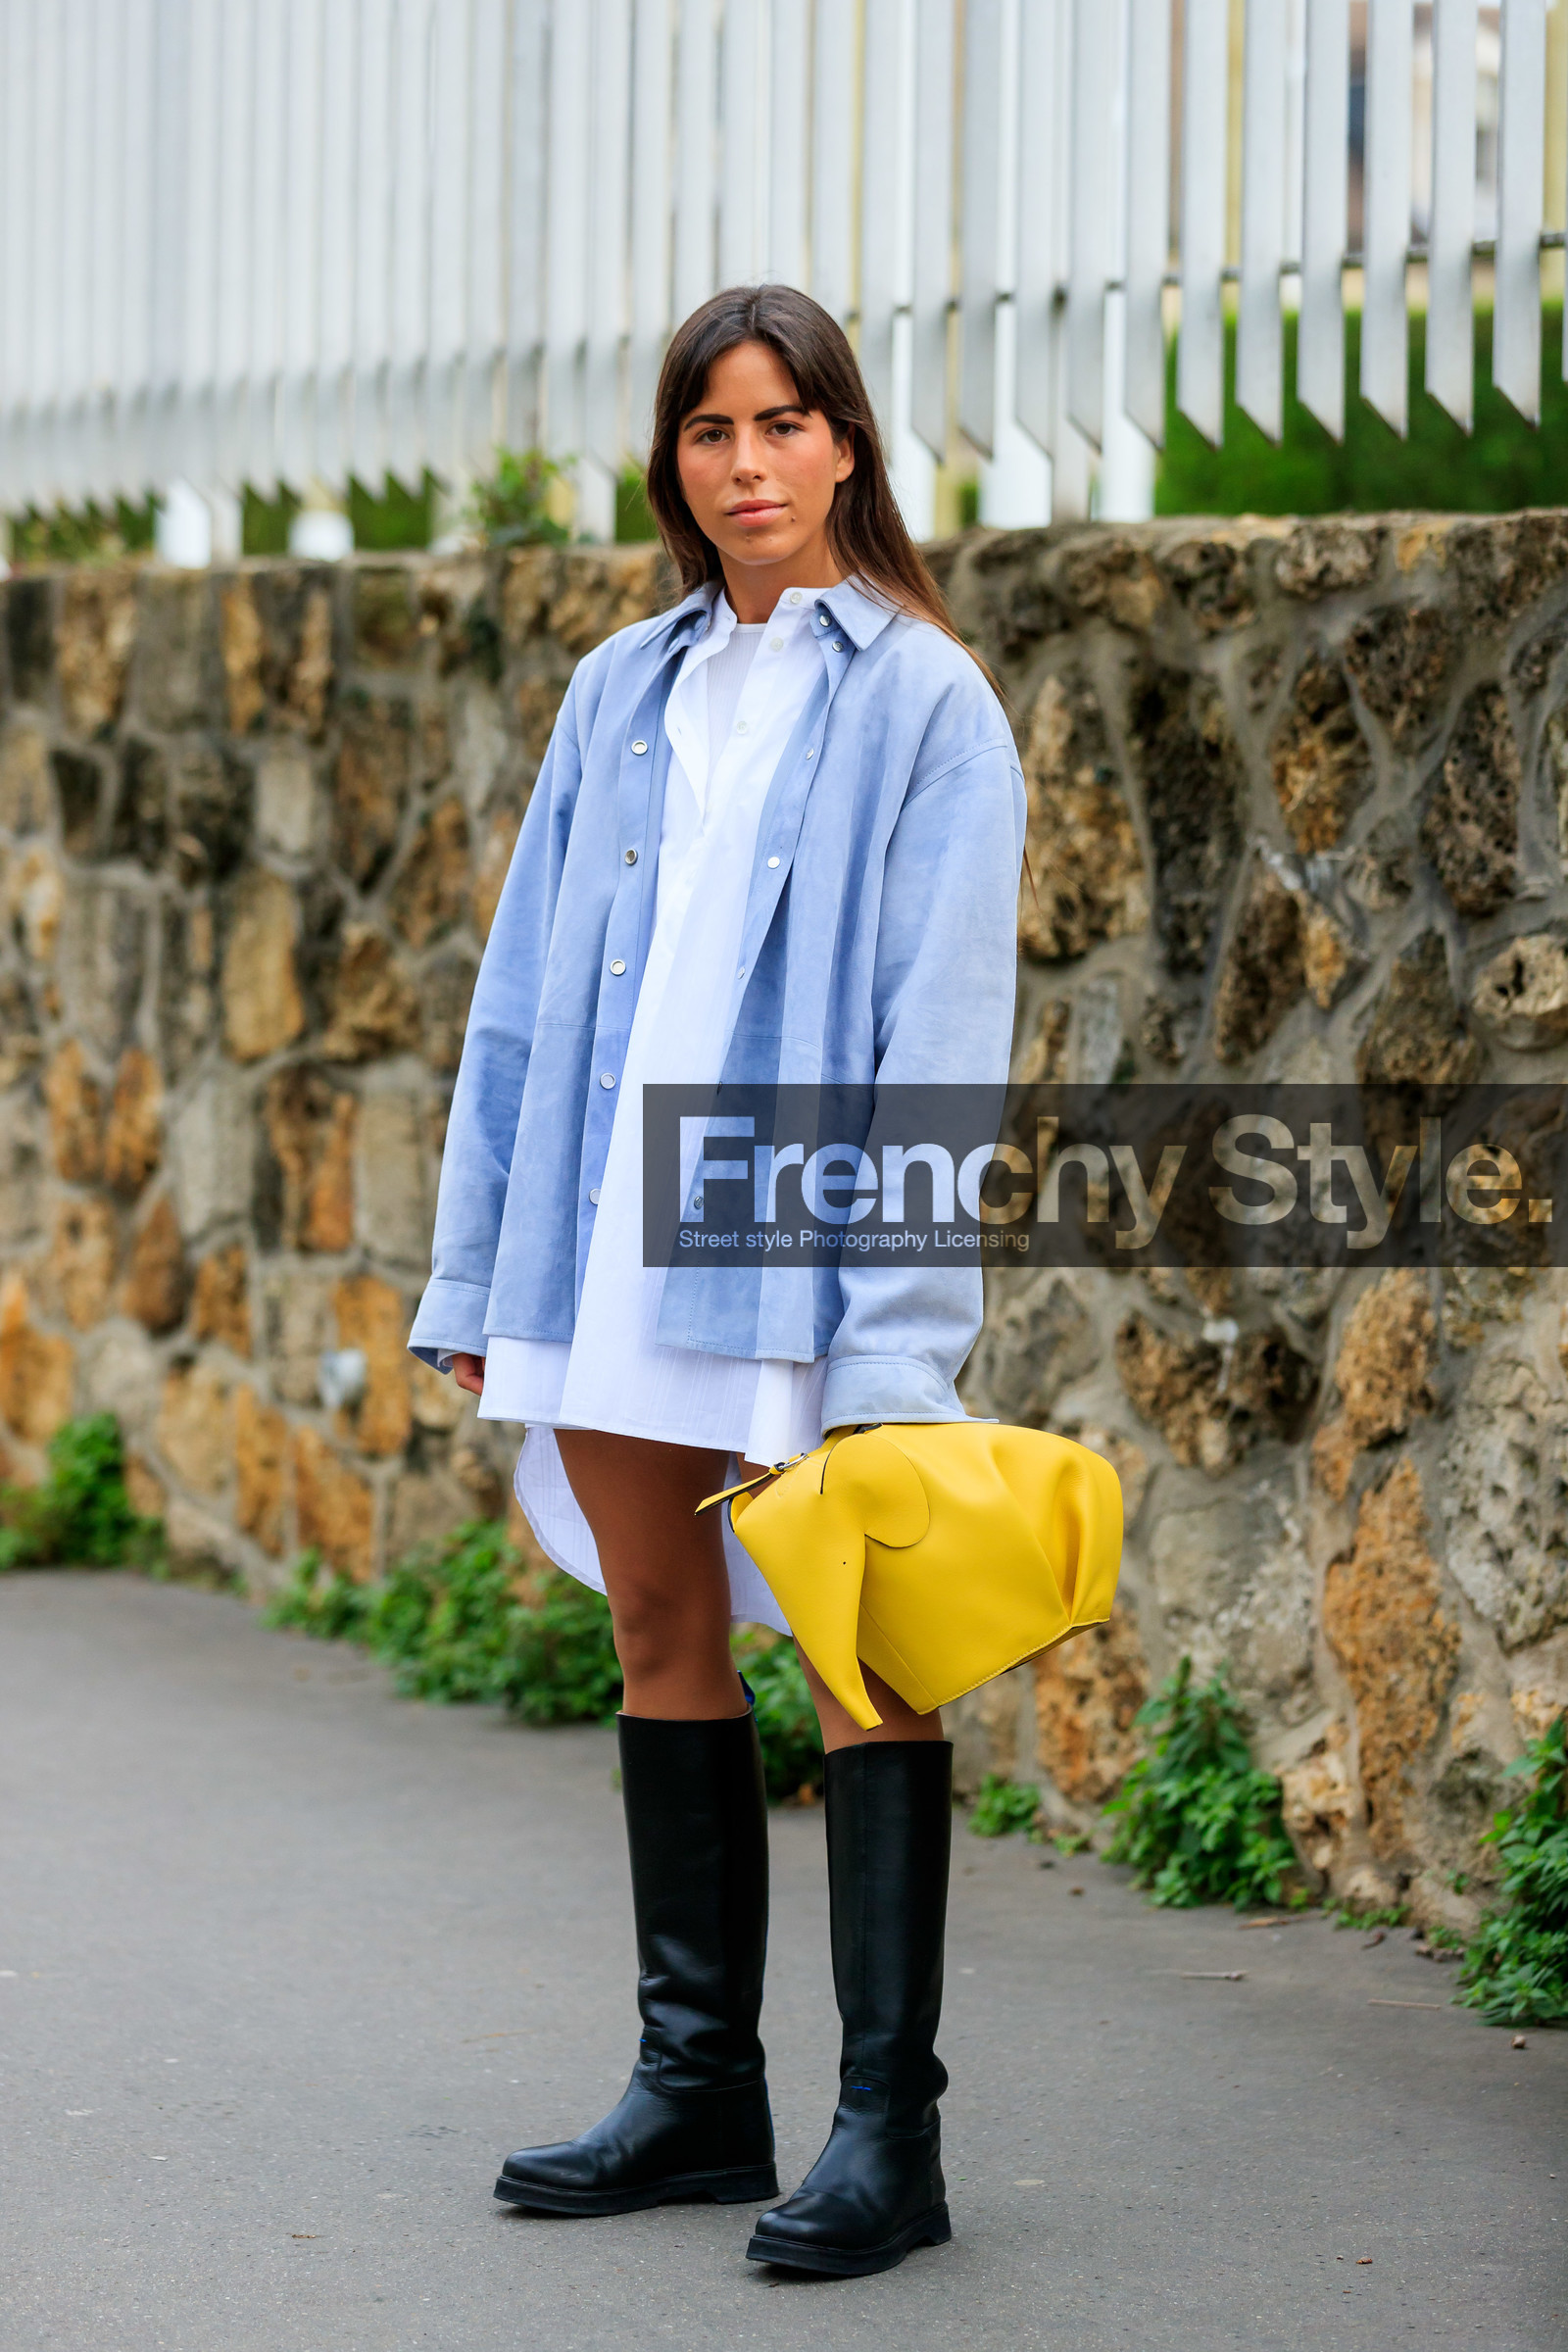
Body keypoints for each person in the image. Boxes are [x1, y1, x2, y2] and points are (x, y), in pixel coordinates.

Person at [408, 283, 1024, 2278]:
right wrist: (485, 1260)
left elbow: (937, 1045)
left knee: (862, 1664)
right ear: (670, 463)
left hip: (790, 1251)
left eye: (780, 424)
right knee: (660, 1637)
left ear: (845, 443)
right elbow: (517, 1003)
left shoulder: (925, 699)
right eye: (707, 431)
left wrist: (897, 1349)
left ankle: (882, 2134)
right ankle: (696, 2089)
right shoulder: (621, 689)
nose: (744, 464)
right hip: (603, 1238)